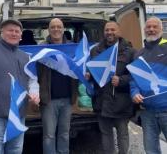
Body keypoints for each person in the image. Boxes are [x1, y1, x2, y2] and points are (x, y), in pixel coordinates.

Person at [0, 19, 40, 154]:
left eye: (17, 31)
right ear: (1, 32)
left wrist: (35, 95)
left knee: (15, 150)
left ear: (21, 35)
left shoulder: (26, 57)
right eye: (10, 30)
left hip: (18, 116)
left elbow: (32, 81)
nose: (14, 33)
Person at [86, 21, 135, 154]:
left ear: (119, 32)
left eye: (113, 30)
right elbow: (91, 70)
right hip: (102, 101)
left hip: (121, 102)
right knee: (106, 134)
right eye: (107, 30)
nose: (110, 32)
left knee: (123, 134)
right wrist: (88, 75)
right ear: (104, 32)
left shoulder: (130, 51)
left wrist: (122, 80)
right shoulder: (95, 50)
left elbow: (136, 76)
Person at [37, 18, 78, 154]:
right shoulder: (41, 49)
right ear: (48, 30)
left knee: (64, 134)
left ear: (63, 29)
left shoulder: (73, 48)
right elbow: (33, 73)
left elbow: (79, 69)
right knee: (49, 135)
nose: (56, 29)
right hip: (48, 100)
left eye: (59, 27)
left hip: (67, 99)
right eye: (53, 27)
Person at [130, 17, 167, 154]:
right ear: (144, 30)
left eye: (155, 27)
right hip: (147, 111)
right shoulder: (139, 54)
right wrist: (134, 93)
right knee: (151, 150)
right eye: (148, 27)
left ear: (161, 29)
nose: (151, 29)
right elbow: (133, 79)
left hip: (166, 110)